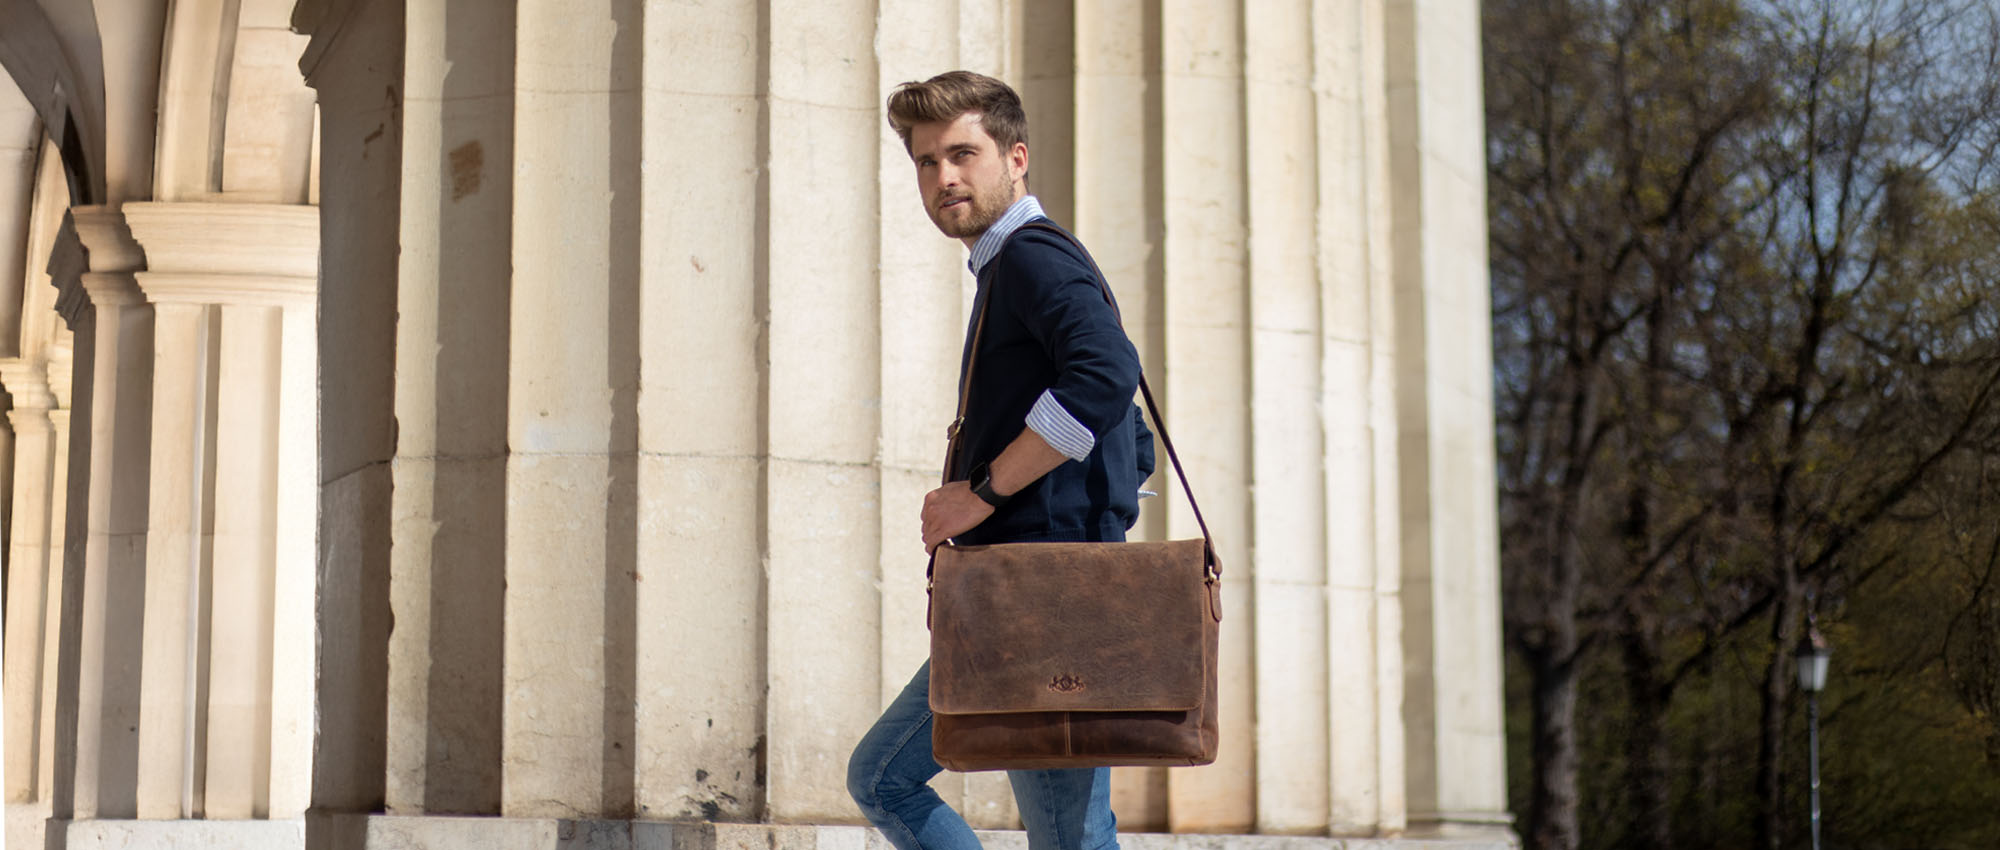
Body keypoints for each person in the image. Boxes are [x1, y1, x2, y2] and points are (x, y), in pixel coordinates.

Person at [846, 70, 1152, 850]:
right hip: (1039, 587)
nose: (943, 177)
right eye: (925, 161)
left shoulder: (1030, 260)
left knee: (892, 780)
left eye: (962, 153)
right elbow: (1130, 435)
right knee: (1066, 832)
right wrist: (1087, 507)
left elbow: (1107, 376)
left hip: (1039, 594)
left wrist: (984, 493)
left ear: (1016, 157)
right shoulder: (1017, 265)